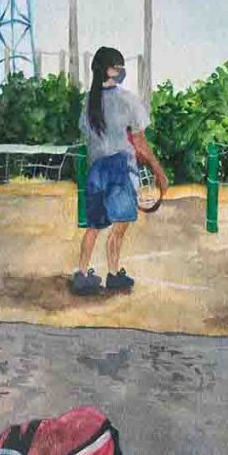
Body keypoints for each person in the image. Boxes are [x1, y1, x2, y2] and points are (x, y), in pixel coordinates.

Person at [71, 46, 168, 295]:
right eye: (118, 66)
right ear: (108, 70)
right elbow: (140, 141)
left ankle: (82, 274)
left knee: (94, 226)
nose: (122, 70)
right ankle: (113, 275)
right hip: (120, 169)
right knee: (120, 227)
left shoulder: (88, 101)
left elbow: (88, 136)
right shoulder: (127, 100)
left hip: (96, 170)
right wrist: (158, 171)